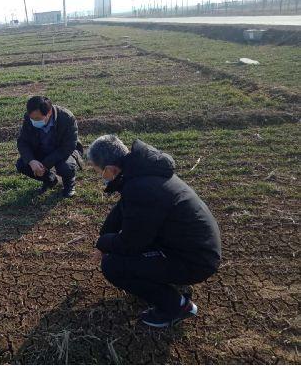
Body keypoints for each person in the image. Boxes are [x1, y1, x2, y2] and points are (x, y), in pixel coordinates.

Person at [87, 135, 221, 327]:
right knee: (119, 252)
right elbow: (120, 211)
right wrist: (103, 239)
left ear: (110, 169)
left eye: (98, 171)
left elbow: (130, 243)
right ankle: (168, 282)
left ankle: (177, 306)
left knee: (113, 265)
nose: (101, 176)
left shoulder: (141, 189)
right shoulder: (142, 173)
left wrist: (104, 244)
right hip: (192, 247)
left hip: (195, 260)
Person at [16, 96, 83, 198]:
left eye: (37, 119)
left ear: (49, 113)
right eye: (32, 118)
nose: (34, 121)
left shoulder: (66, 117)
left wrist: (45, 164)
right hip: (42, 150)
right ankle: (50, 180)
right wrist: (31, 161)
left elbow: (69, 146)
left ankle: (69, 185)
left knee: (65, 167)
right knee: (22, 164)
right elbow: (22, 142)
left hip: (63, 152)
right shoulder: (29, 118)